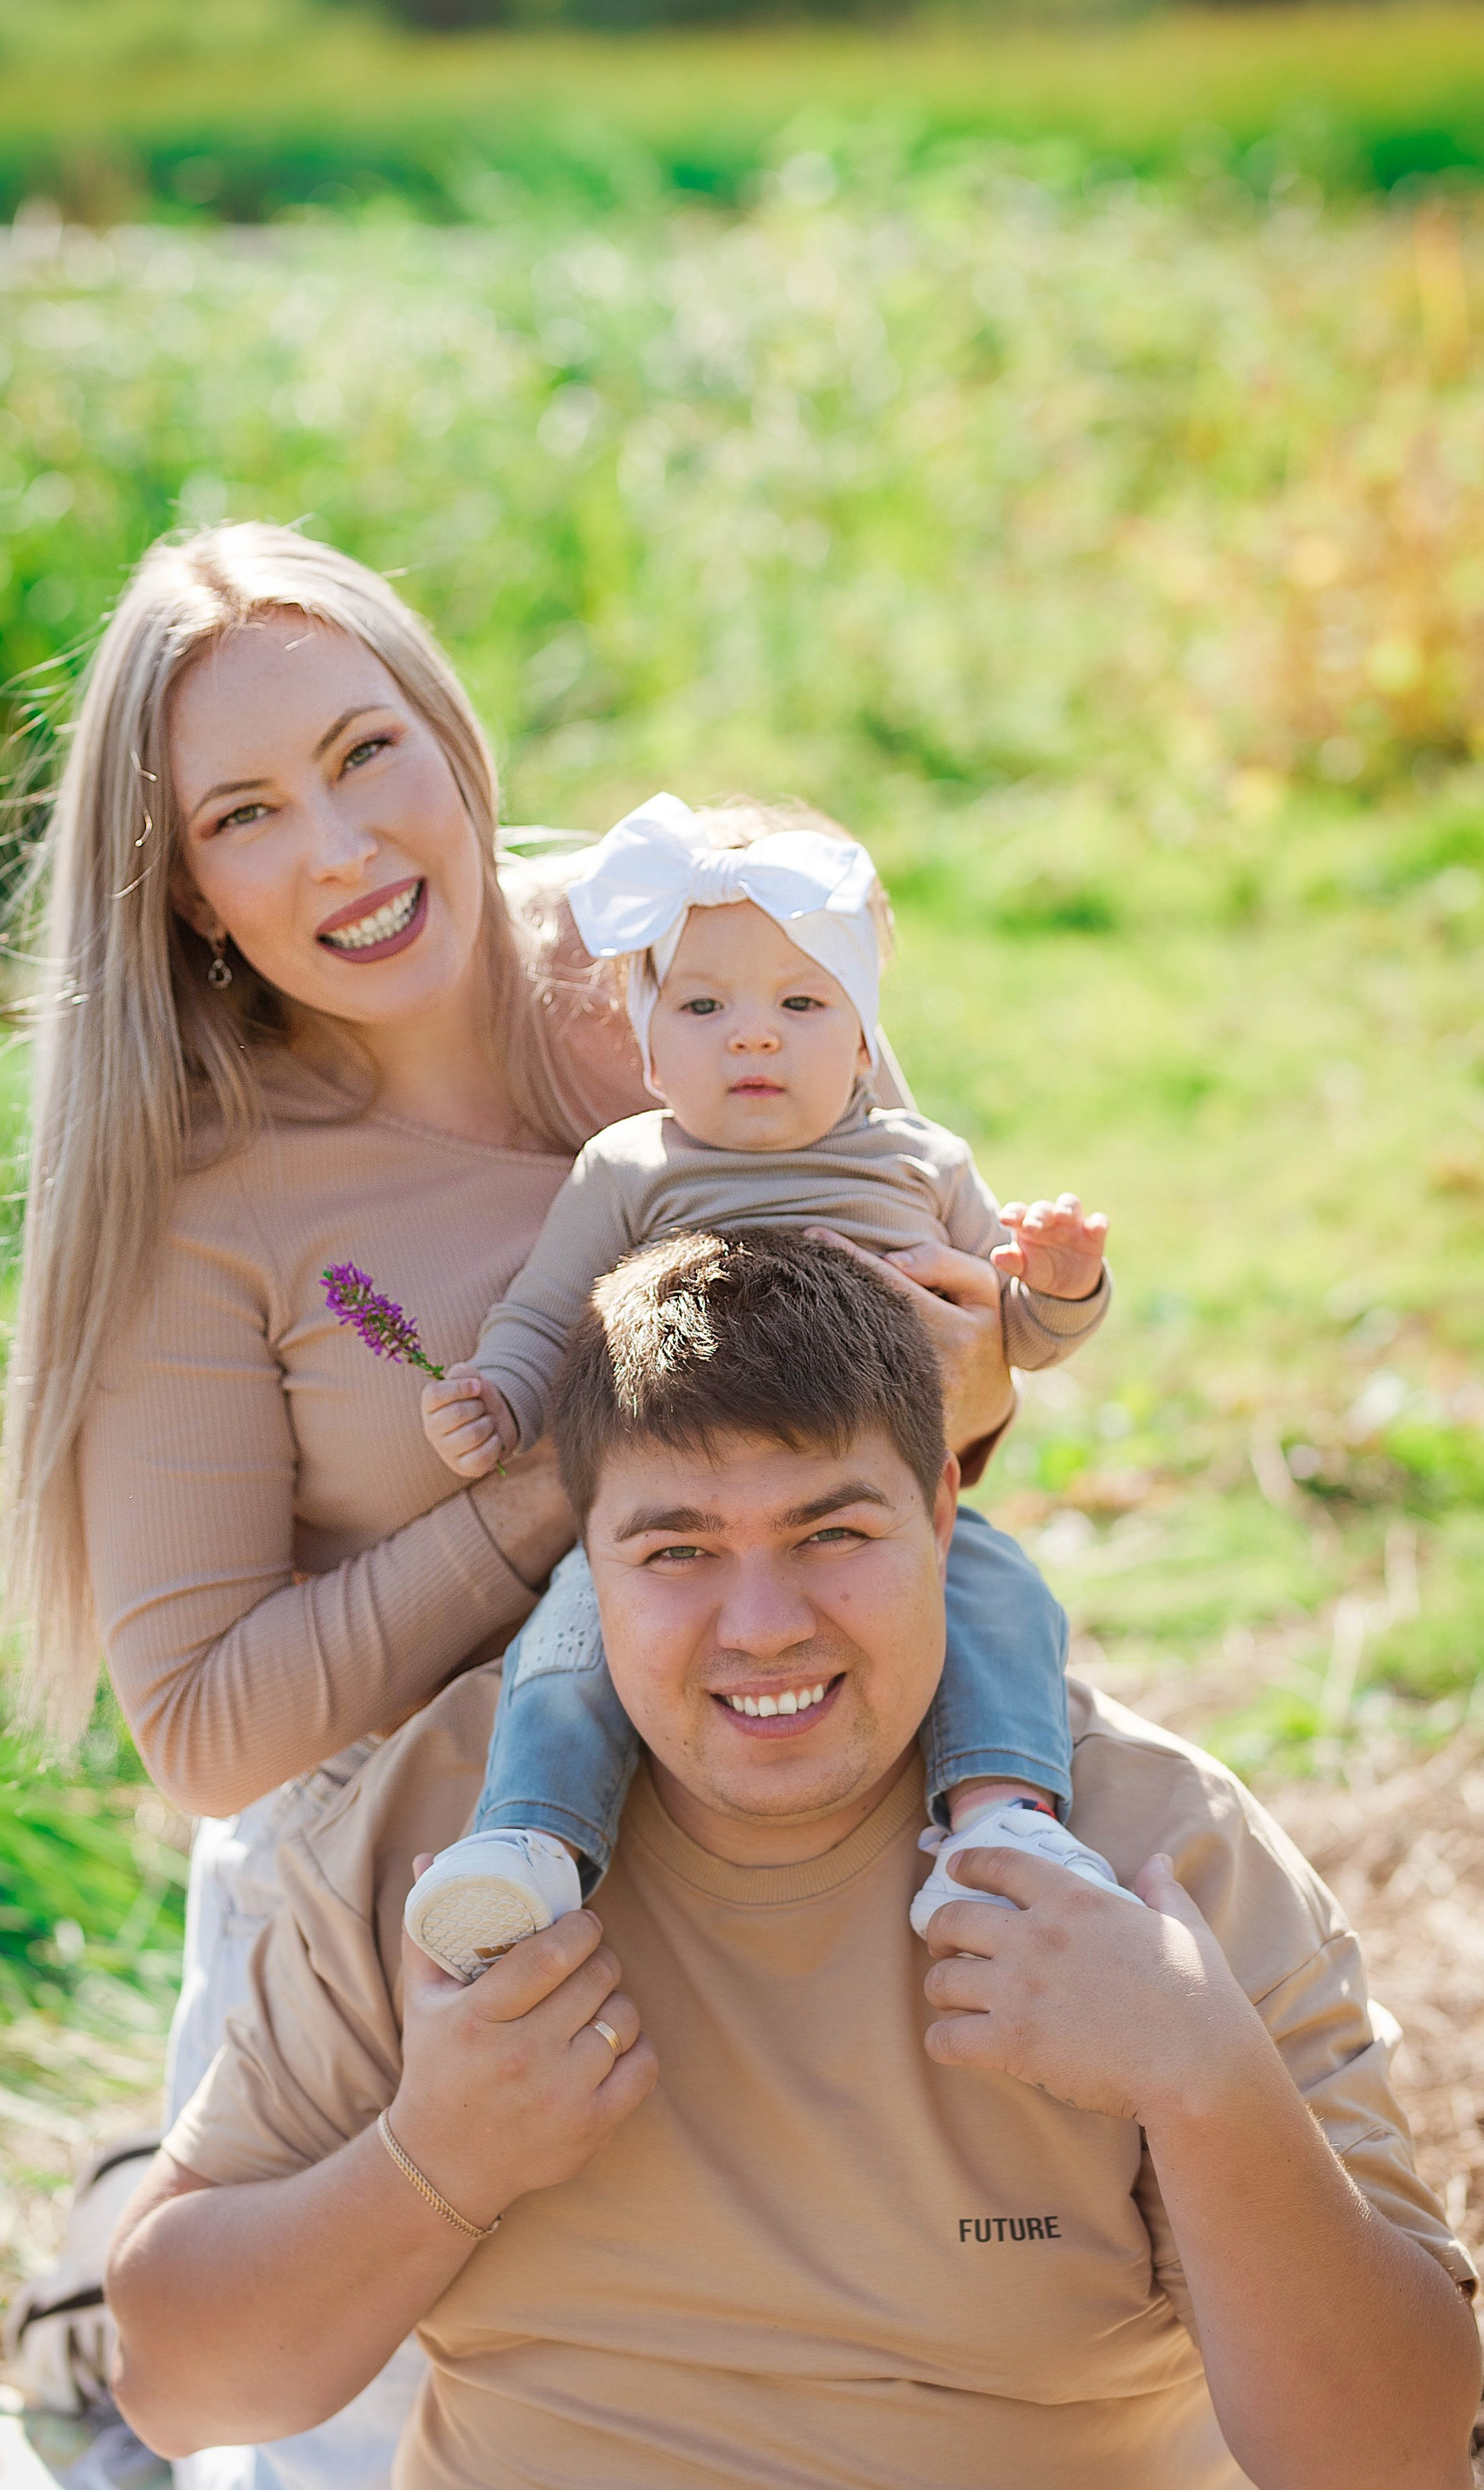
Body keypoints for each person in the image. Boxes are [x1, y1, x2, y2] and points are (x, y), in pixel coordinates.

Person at [0, 1232, 1484, 2490]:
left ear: (938, 1508)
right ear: (583, 1554)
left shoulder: (1146, 1847)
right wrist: (436, 2159)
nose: (760, 1622)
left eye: (830, 1531)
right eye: (678, 1548)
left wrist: (1196, 2076)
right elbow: (178, 2388)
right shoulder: (445, 1827)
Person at [0, 519, 1034, 2490]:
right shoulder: (211, 1198)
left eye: (371, 750)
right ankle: (105, 2341)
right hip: (400, 1922)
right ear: (182, 882)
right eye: (247, 813)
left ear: (456, 738)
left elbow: (937, 1420)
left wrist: (981, 1347)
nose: (345, 846)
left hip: (760, 1842)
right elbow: (206, 1728)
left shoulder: (694, 961)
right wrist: (565, 1475)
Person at [402, 787, 1122, 1989]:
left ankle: (1001, 1821)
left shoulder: (919, 1160)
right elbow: (545, 1310)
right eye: (703, 1005)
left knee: (998, 1596)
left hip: (869, 1492)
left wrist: (1057, 1287)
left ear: (862, 1036)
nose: (752, 1036)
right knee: (576, 1632)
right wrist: (502, 1398)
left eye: (801, 1004)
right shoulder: (633, 1165)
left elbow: (1016, 1336)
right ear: (646, 1038)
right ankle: (526, 1839)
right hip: (682, 1502)